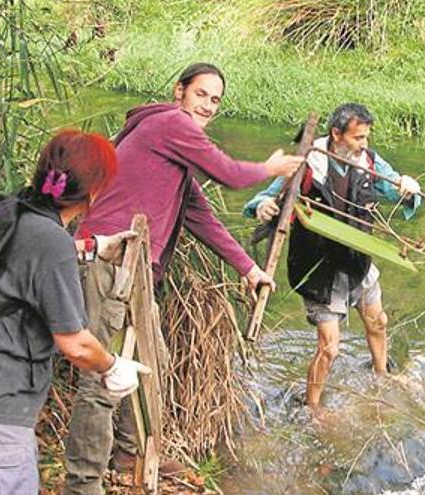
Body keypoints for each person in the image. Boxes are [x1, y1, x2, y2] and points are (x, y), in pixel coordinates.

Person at [63, 62, 304, 495]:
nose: (208, 106)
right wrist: (271, 170)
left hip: (135, 269)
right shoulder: (170, 124)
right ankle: (83, 484)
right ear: (179, 92)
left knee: (149, 362)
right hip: (109, 261)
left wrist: (248, 268)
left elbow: (198, 213)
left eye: (216, 100)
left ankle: (130, 451)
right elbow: (229, 175)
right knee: (101, 378)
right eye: (202, 95)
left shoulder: (171, 140)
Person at [0, 130, 150, 495]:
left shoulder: (8, 208)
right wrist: (112, 367)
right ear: (94, 191)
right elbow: (75, 344)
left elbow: (17, 266)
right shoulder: (51, 242)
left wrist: (90, 248)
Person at [244, 103, 421, 411]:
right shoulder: (307, 163)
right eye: (357, 138)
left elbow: (398, 192)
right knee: (330, 349)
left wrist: (408, 188)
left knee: (378, 321)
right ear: (336, 134)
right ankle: (313, 407)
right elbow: (264, 197)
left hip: (358, 260)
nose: (363, 144)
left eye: (366, 137)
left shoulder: (370, 161)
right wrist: (263, 206)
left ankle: (382, 375)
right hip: (318, 267)